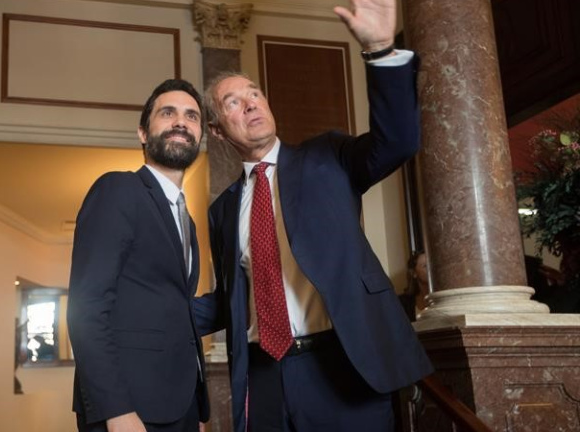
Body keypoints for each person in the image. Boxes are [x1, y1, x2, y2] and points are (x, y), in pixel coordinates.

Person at [192, 0, 433, 430]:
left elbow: (397, 142)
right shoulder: (222, 210)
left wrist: (380, 51)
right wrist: (146, 314)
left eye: (255, 94)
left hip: (343, 369)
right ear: (216, 130)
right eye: (233, 102)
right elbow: (231, 298)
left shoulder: (327, 156)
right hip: (264, 377)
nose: (250, 104)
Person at [68, 79, 209, 432]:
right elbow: (87, 307)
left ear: (200, 136)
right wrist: (116, 410)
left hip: (180, 405)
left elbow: (176, 310)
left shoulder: (186, 221)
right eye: (168, 113)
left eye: (192, 116)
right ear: (143, 134)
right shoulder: (119, 189)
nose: (181, 122)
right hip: (129, 409)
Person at [400, 251, 430, 321]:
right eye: (425, 266)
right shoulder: (403, 303)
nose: (431, 268)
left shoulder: (447, 297)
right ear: (414, 273)